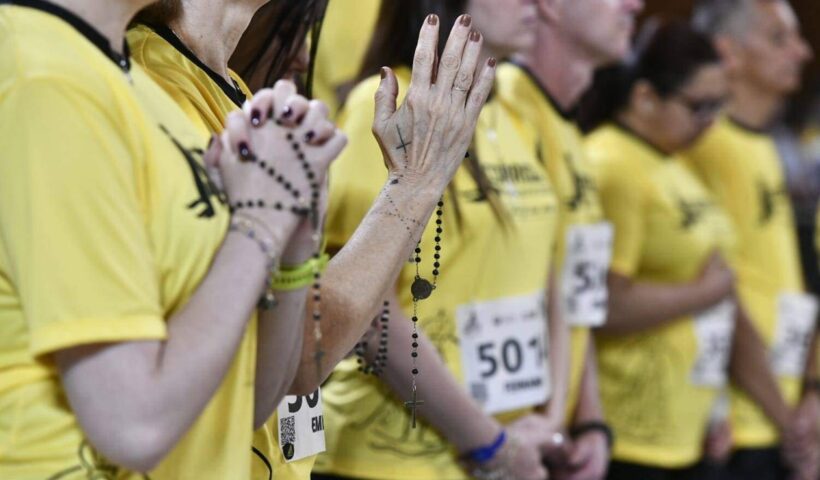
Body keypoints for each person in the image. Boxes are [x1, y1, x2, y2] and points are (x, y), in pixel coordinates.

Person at [128, 1, 497, 479]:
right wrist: (414, 185)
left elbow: (283, 369)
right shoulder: (151, 86)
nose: (303, 59)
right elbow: (298, 356)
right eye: (297, 34)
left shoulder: (230, 91)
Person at [0, 0, 339, 478]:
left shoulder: (129, 86)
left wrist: (293, 238)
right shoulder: (45, 82)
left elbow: (245, 403)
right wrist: (262, 220)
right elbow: (133, 424)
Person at [314, 1, 564, 479]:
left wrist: (549, 422)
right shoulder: (388, 101)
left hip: (510, 445)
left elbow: (545, 272)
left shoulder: (512, 114)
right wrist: (488, 442)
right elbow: (361, 305)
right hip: (389, 457)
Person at [583, 20, 795, 480]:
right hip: (632, 438)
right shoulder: (613, 163)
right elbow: (601, 304)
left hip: (688, 433)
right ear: (644, 98)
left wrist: (716, 407)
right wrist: (707, 292)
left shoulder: (674, 161)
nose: (710, 122)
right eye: (699, 106)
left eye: (718, 106)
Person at [496, 1, 644, 477]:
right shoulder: (508, 106)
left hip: (547, 437)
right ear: (551, 6)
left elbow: (575, 296)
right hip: (504, 438)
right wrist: (547, 424)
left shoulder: (569, 127)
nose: (635, 5)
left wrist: (590, 421)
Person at [688, 1, 819, 478]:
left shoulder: (767, 144)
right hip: (735, 424)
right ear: (730, 52)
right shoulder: (705, 144)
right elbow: (718, 292)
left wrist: (811, 393)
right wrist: (791, 421)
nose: (802, 53)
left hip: (783, 415)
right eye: (778, 38)